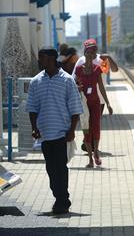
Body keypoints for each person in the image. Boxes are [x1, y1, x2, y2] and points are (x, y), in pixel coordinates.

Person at [26, 47, 83, 215]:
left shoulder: (66, 80)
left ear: (51, 58)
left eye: (42, 57)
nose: (39, 61)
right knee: (51, 169)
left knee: (60, 167)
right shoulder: (36, 81)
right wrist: (34, 128)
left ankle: (62, 200)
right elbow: (32, 108)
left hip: (62, 133)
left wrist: (72, 131)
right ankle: (60, 197)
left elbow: (75, 108)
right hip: (44, 134)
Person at [72, 39, 118, 152]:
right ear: (85, 50)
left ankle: (89, 143)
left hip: (99, 99)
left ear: (96, 49)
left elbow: (114, 69)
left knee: (95, 122)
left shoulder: (101, 60)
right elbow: (74, 77)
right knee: (87, 121)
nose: (91, 51)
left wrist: (109, 57)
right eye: (89, 49)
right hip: (84, 98)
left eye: (94, 48)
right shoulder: (81, 60)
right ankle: (88, 142)